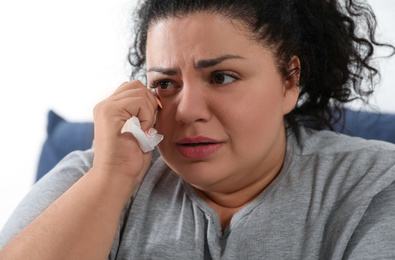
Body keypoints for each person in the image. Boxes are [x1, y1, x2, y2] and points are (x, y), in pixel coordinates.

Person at [1, 0, 395, 259]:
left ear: (290, 81)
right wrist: (109, 180)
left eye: (221, 77)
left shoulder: (375, 185)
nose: (186, 111)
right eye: (166, 84)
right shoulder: (90, 175)